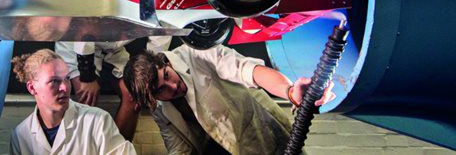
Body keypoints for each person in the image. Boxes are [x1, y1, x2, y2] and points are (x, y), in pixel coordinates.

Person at [122, 44, 336, 154]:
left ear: (164, 63)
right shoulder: (160, 109)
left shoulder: (197, 53)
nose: (173, 86)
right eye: (161, 90)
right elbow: (179, 148)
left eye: (167, 76)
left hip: (264, 134)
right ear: (153, 99)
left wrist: (289, 91)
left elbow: (248, 70)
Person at [55, 0, 171, 140]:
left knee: (134, 96)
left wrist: (147, 78)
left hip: (114, 50)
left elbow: (159, 39)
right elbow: (84, 27)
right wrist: (87, 75)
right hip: (78, 44)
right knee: (86, 100)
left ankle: (118, 151)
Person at [10, 49, 137, 155]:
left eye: (67, 78)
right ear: (32, 88)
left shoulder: (97, 120)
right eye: (54, 81)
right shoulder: (21, 134)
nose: (65, 87)